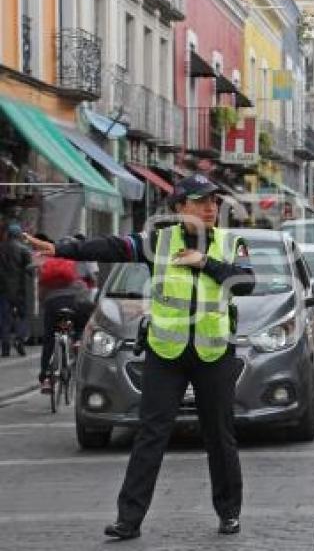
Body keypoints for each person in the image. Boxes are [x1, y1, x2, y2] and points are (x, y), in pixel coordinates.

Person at [24, 174, 256, 541]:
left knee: (219, 436)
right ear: (180, 208)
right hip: (166, 353)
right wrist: (62, 248)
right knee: (150, 435)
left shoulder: (231, 243)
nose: (211, 208)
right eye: (201, 201)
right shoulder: (158, 243)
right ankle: (128, 520)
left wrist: (204, 263)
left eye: (214, 201)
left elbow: (246, 283)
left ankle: (229, 513)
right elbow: (111, 246)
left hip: (213, 354)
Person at [36, 238, 87, 393]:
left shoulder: (47, 267)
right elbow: (82, 288)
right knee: (79, 320)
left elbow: (41, 293)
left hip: (52, 304)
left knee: (49, 339)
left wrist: (46, 302)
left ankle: (46, 378)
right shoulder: (73, 265)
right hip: (71, 302)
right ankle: (78, 339)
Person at [0, 222, 32, 357]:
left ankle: (5, 346)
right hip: (19, 289)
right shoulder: (24, 250)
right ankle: (20, 338)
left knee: (4, 318)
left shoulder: (1, 248)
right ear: (19, 234)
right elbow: (30, 269)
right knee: (22, 316)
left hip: (2, 290)